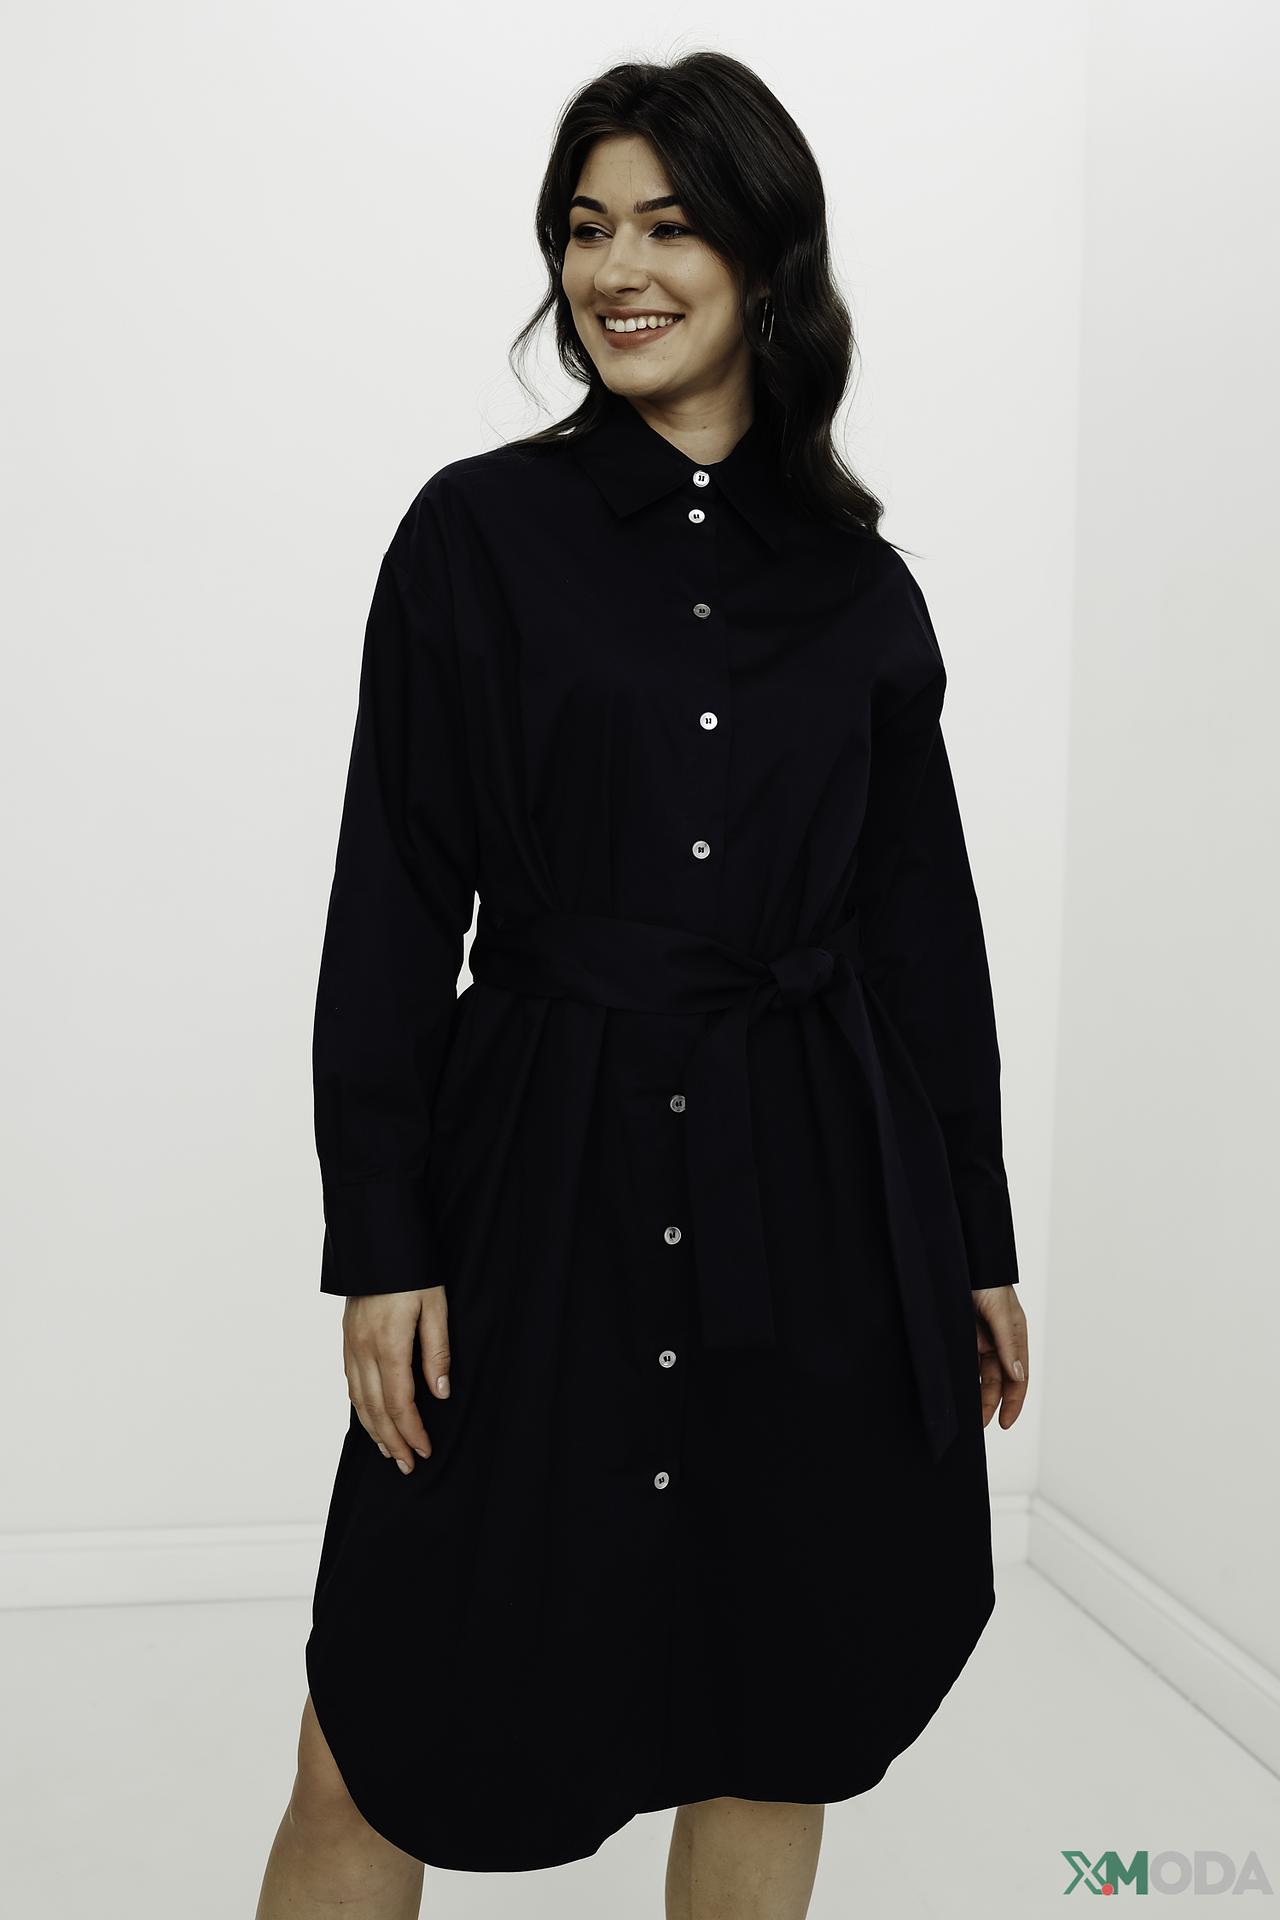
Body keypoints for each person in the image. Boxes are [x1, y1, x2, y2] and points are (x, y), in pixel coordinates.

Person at [255, 47, 1030, 1920]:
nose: (618, 269)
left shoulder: (858, 588)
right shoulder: (475, 538)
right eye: (587, 228)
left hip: (814, 1198)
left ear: (764, 258)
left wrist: (976, 1241)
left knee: (780, 1709)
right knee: (378, 1723)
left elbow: (925, 935)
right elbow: (391, 900)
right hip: (539, 1186)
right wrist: (384, 1238)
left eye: (668, 227)